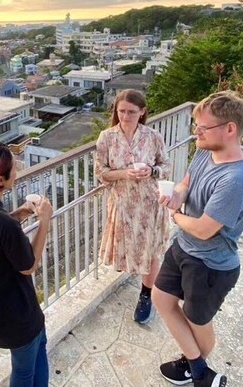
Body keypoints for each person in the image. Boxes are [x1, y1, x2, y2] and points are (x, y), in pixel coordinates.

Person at [153, 91, 243, 387]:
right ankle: (199, 369)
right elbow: (187, 182)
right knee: (161, 298)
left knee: (197, 320)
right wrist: (177, 195)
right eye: (195, 126)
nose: (195, 133)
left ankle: (195, 369)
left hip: (211, 263)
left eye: (203, 127)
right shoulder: (204, 150)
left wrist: (173, 216)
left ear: (230, 129)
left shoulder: (237, 179)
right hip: (183, 247)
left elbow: (203, 229)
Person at [0, 142, 54, 387]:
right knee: (26, 369)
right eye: (14, 169)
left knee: (32, 356)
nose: (17, 172)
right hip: (19, 310)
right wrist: (45, 221)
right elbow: (29, 266)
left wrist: (21, 213)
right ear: (1, 180)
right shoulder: (3, 223)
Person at [94, 89, 172, 323]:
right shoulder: (106, 137)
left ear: (142, 112)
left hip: (149, 202)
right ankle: (141, 283)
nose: (125, 116)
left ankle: (146, 294)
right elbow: (100, 172)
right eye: (121, 111)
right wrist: (124, 173)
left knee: (150, 251)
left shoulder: (153, 136)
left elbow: (166, 165)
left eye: (131, 112)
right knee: (127, 248)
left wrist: (152, 170)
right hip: (122, 203)